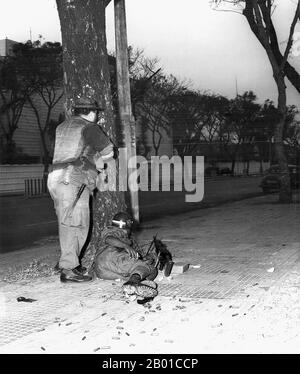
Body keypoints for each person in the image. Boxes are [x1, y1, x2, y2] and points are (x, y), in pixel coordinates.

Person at [47, 96, 114, 283]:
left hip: (55, 177)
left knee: (66, 221)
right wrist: (99, 161)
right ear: (91, 112)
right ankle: (68, 269)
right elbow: (109, 151)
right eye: (96, 112)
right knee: (77, 223)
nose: (97, 115)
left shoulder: (62, 127)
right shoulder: (89, 127)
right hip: (72, 179)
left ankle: (68, 262)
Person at [93, 212, 158, 300]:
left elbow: (135, 255)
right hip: (112, 259)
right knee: (151, 269)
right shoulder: (117, 231)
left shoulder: (121, 235)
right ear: (127, 223)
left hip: (101, 271)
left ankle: (136, 283)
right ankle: (133, 282)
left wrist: (142, 258)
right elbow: (109, 239)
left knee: (133, 271)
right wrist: (126, 246)